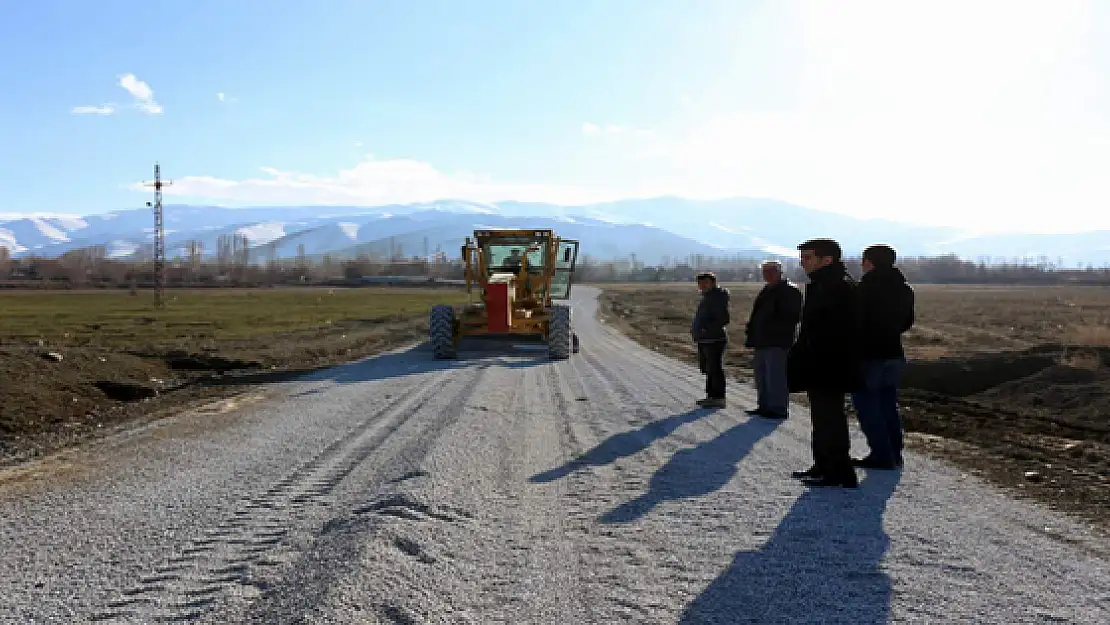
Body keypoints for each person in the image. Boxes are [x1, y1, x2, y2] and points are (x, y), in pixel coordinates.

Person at [786, 238, 862, 488]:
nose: (803, 262)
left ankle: (839, 472)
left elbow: (838, 331)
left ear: (826, 259)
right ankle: (822, 466)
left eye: (808, 257)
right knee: (821, 418)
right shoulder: (821, 284)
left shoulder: (838, 287)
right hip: (818, 363)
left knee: (831, 420)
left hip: (831, 364)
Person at [852, 244, 915, 469]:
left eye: (864, 260)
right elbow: (907, 322)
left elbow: (856, 321)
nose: (862, 265)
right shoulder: (904, 288)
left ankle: (880, 454)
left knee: (868, 405)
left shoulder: (865, 287)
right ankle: (895, 452)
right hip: (894, 352)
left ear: (870, 262)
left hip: (869, 354)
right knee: (888, 404)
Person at [744, 260, 803, 419]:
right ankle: (764, 406)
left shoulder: (789, 290)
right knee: (761, 375)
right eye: (765, 272)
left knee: (775, 376)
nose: (767, 275)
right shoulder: (767, 289)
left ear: (780, 271)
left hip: (777, 341)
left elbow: (792, 317)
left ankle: (777, 408)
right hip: (761, 340)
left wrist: (771, 328)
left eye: (771, 271)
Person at [691, 271, 731, 408]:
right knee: (709, 368)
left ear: (712, 283)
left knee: (715, 368)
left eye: (705, 282)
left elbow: (723, 319)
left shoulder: (717, 297)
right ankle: (711, 396)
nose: (702, 285)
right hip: (706, 339)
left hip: (714, 339)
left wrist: (705, 329)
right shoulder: (708, 297)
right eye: (700, 283)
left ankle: (719, 397)